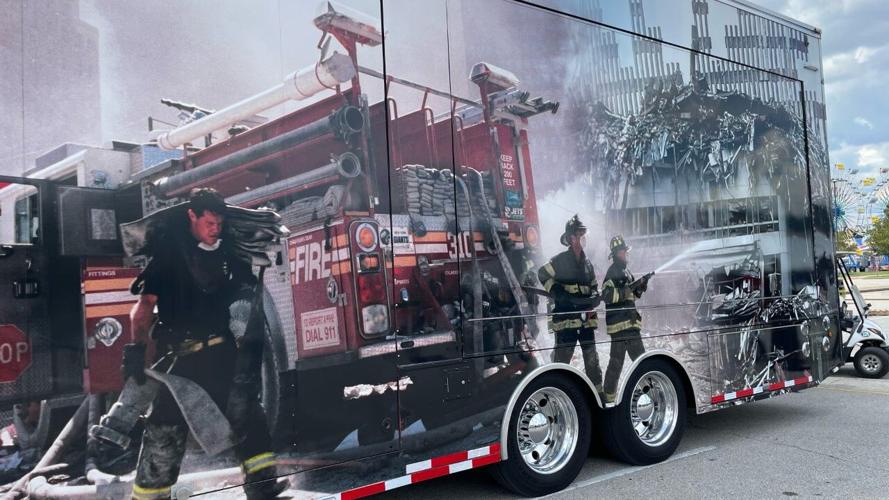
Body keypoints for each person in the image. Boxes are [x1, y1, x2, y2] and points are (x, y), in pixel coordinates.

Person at [124, 188, 284, 500]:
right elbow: (143, 310)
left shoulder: (231, 256)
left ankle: (264, 489)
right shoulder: (168, 257)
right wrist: (135, 352)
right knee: (163, 433)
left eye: (219, 224)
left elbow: (246, 303)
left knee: (249, 414)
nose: (215, 229)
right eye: (209, 222)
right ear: (191, 216)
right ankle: (148, 496)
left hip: (223, 355)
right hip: (182, 364)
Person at [538, 215, 604, 391]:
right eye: (580, 234)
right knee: (561, 364)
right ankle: (555, 394)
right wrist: (557, 291)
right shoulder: (559, 260)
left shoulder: (587, 263)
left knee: (592, 362)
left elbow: (593, 286)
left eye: (584, 234)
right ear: (571, 238)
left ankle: (598, 395)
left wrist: (596, 295)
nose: (584, 237)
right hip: (566, 322)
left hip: (586, 321)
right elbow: (542, 273)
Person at [601, 235, 651, 402]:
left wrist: (640, 288)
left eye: (625, 252)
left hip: (630, 325)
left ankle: (648, 394)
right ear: (615, 254)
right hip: (619, 328)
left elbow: (631, 297)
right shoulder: (611, 273)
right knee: (617, 365)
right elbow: (607, 296)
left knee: (640, 362)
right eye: (622, 252)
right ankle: (609, 399)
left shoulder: (627, 272)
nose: (625, 255)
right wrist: (627, 291)